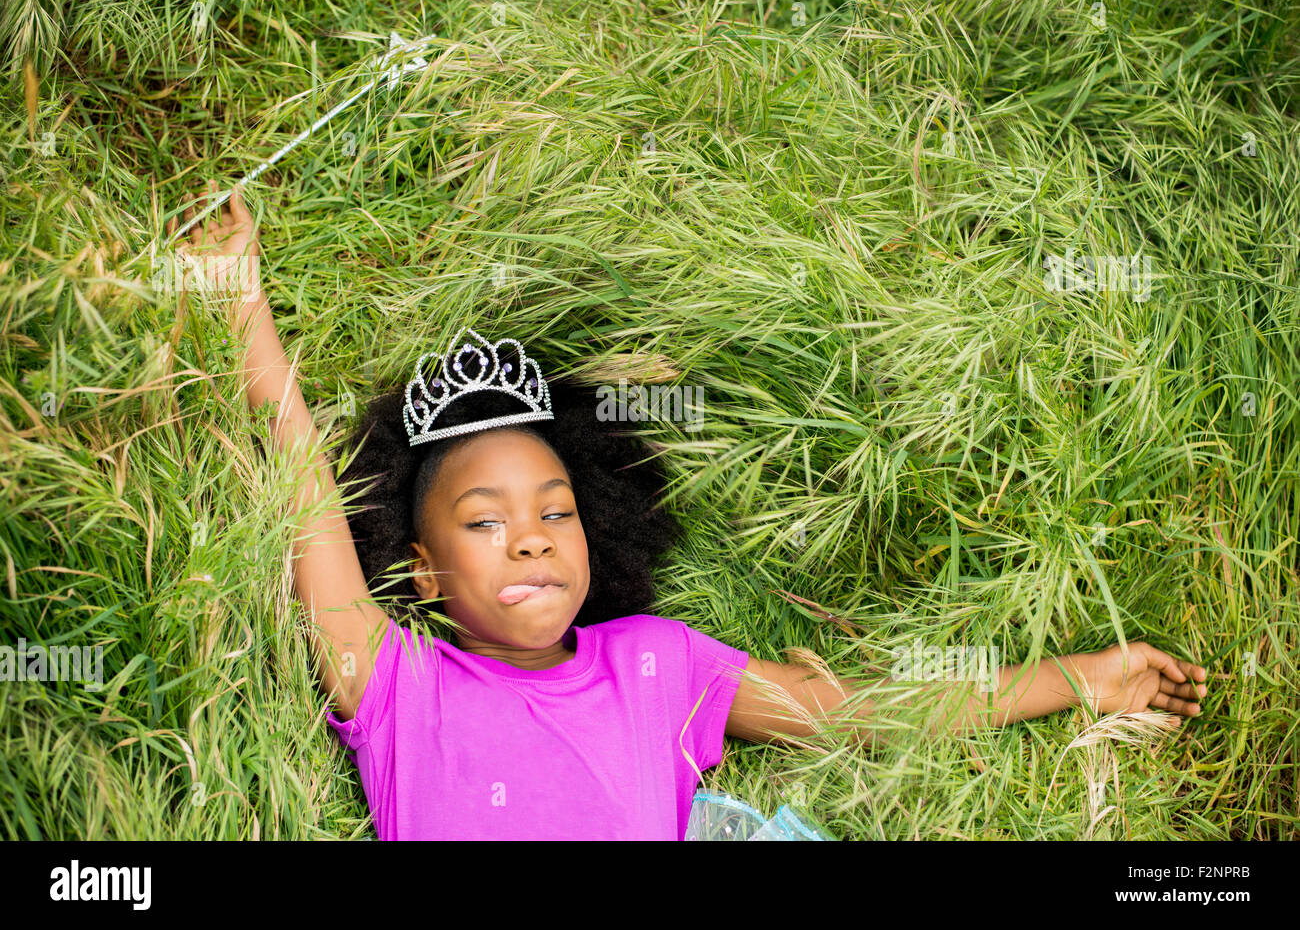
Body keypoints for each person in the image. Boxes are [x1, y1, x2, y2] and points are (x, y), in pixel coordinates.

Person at [168, 180, 1209, 840]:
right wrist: (240, 303)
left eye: (556, 512)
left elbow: (854, 714)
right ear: (424, 569)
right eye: (483, 521)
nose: (529, 534)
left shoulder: (655, 667)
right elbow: (302, 484)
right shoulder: (395, 683)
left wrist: (1086, 678)